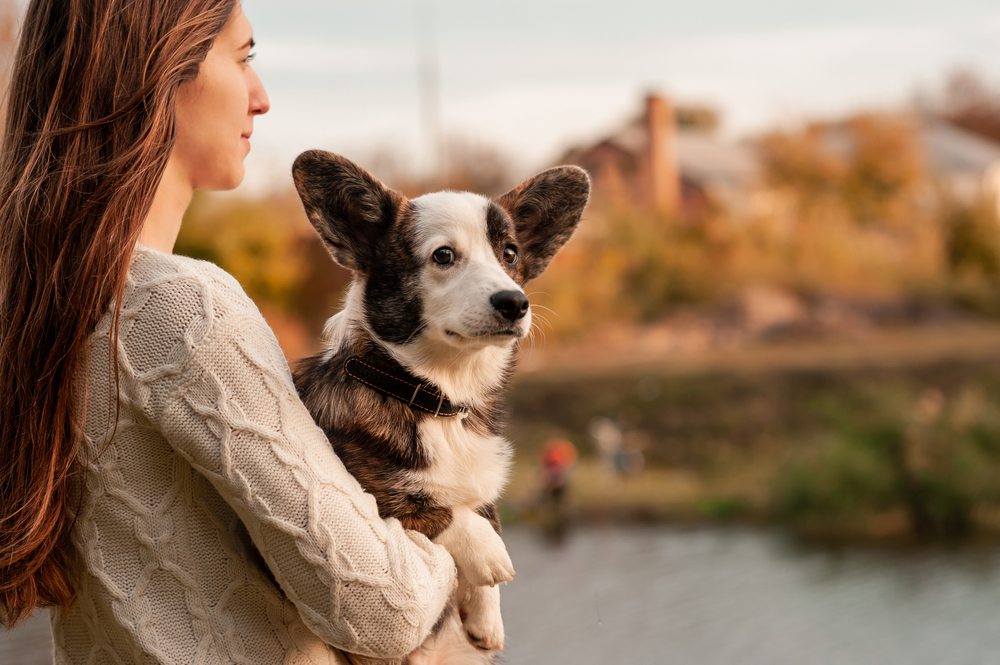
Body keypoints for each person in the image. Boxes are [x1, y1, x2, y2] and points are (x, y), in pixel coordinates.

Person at [0, 1, 456, 663]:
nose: (262, 98)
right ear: (161, 70)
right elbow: (383, 608)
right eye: (243, 58)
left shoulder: (38, 305)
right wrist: (453, 527)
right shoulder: (183, 309)